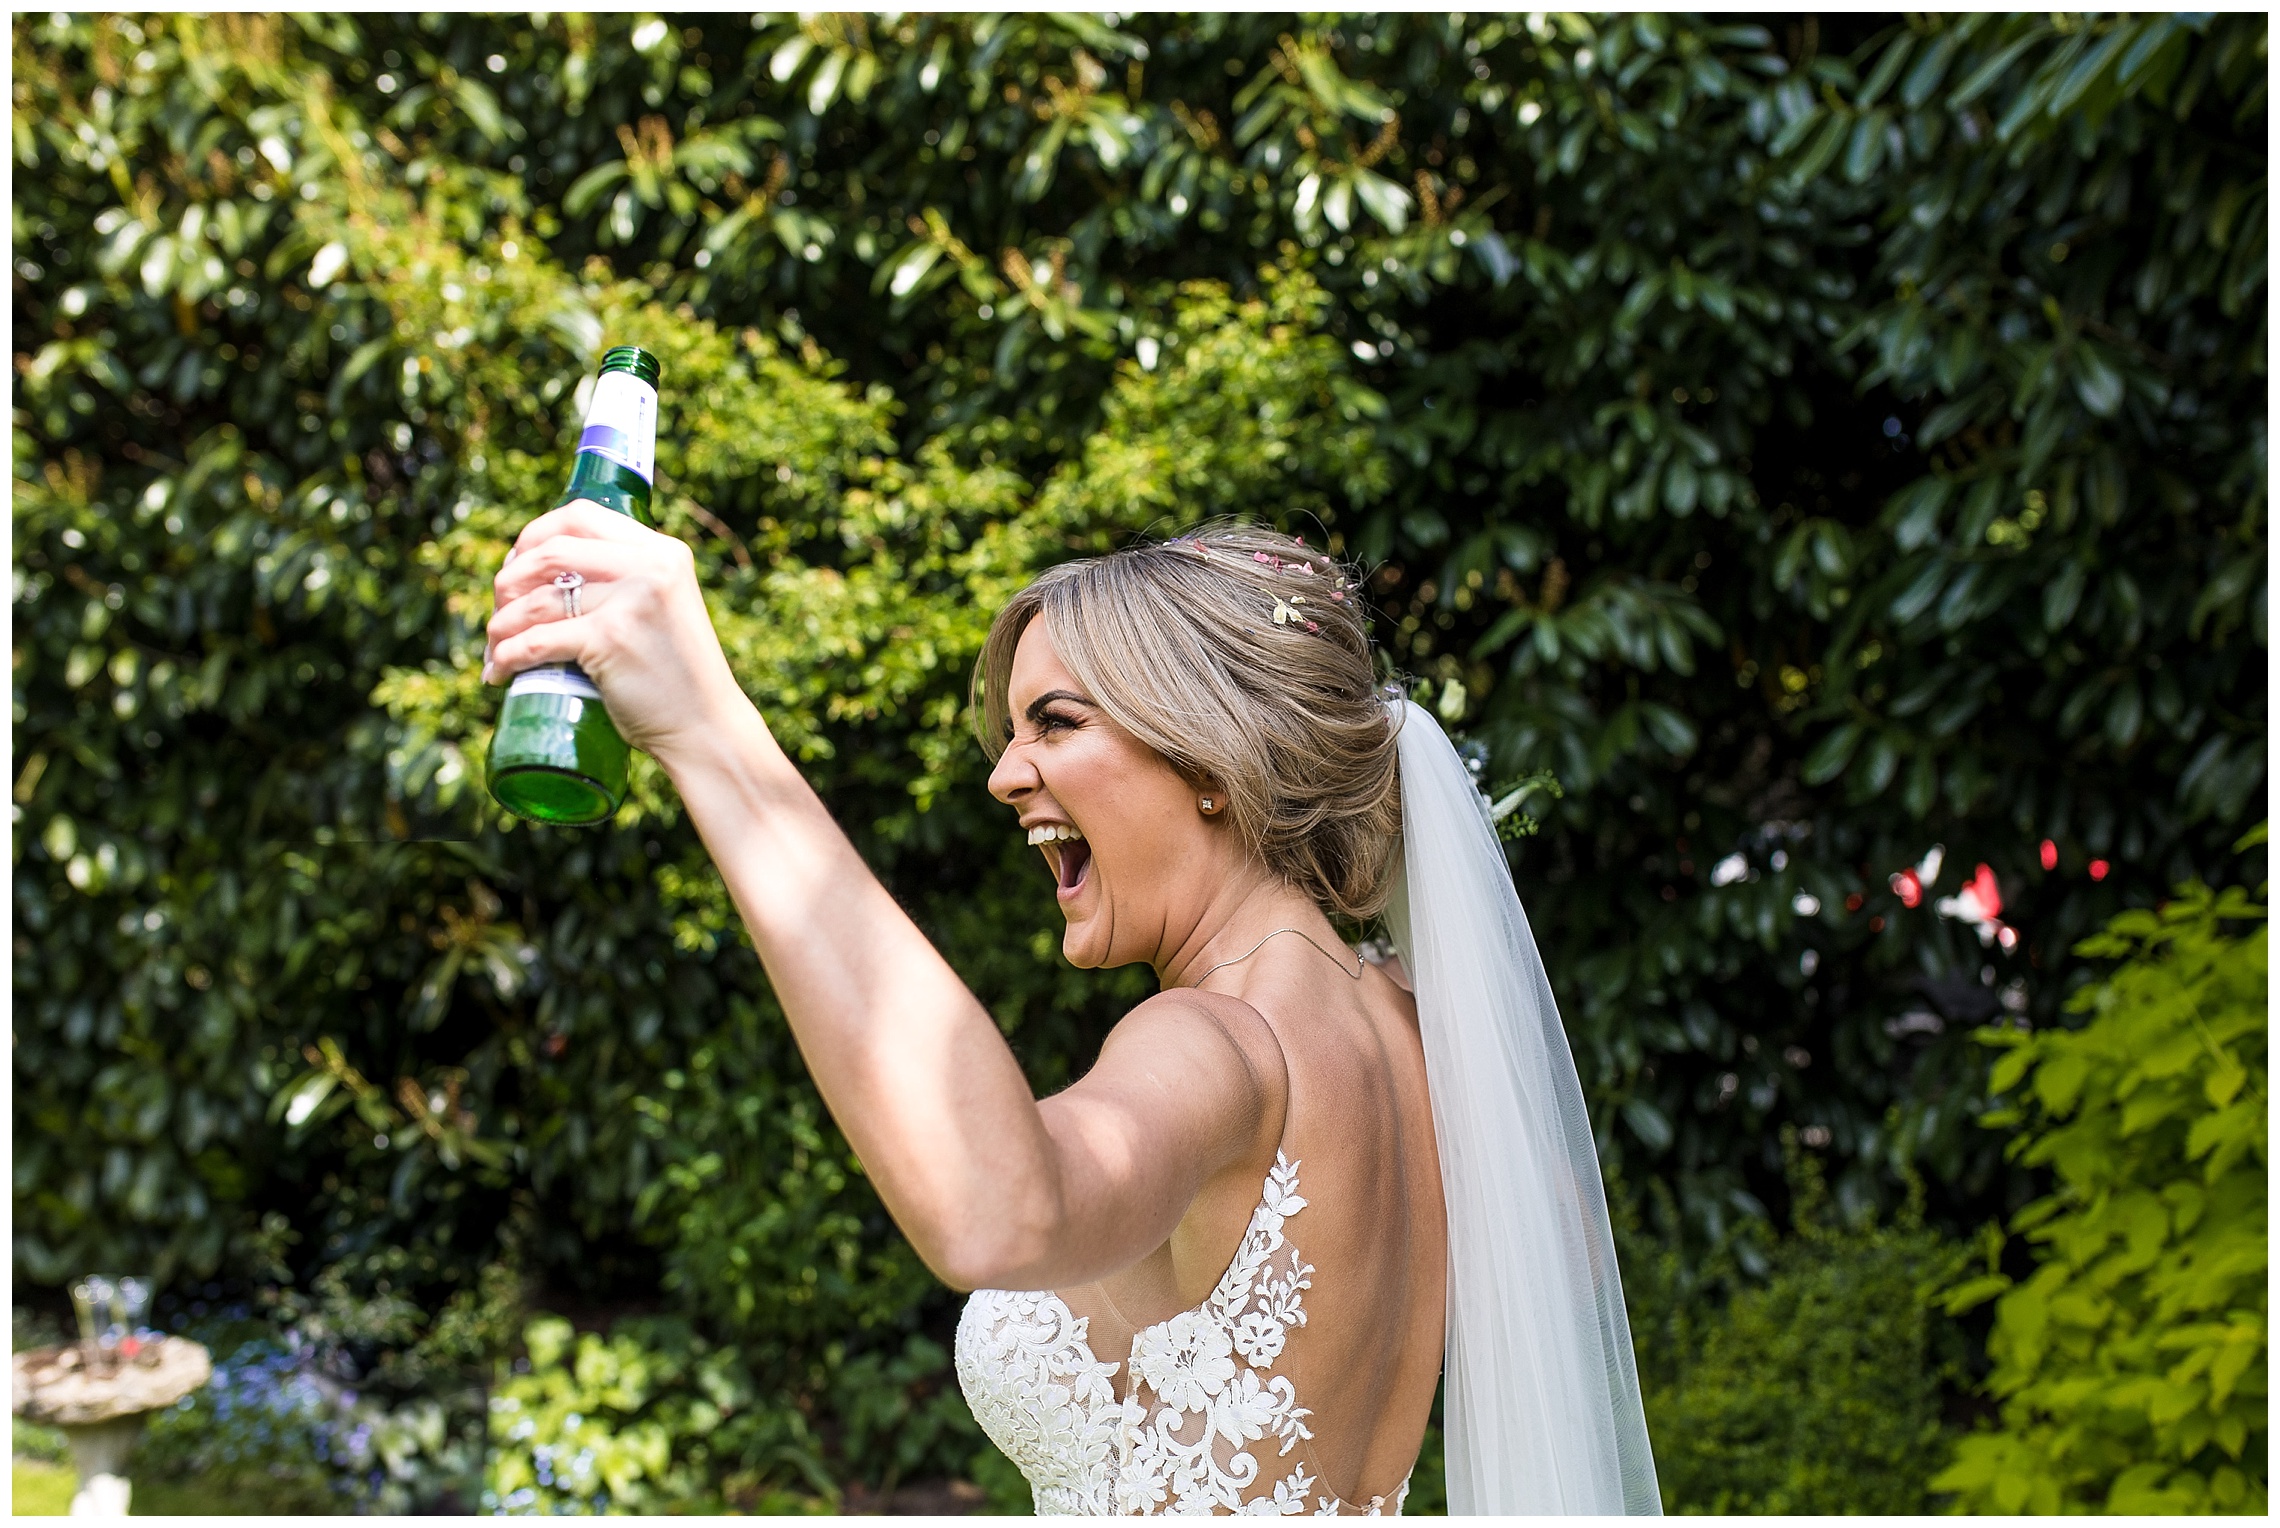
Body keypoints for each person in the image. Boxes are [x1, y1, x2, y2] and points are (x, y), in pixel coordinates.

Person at [484, 512, 1659, 1515]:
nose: (1005, 773)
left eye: (1055, 722)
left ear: (1209, 756)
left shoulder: (1218, 1043)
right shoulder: (1424, 1031)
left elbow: (998, 1212)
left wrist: (708, 730)